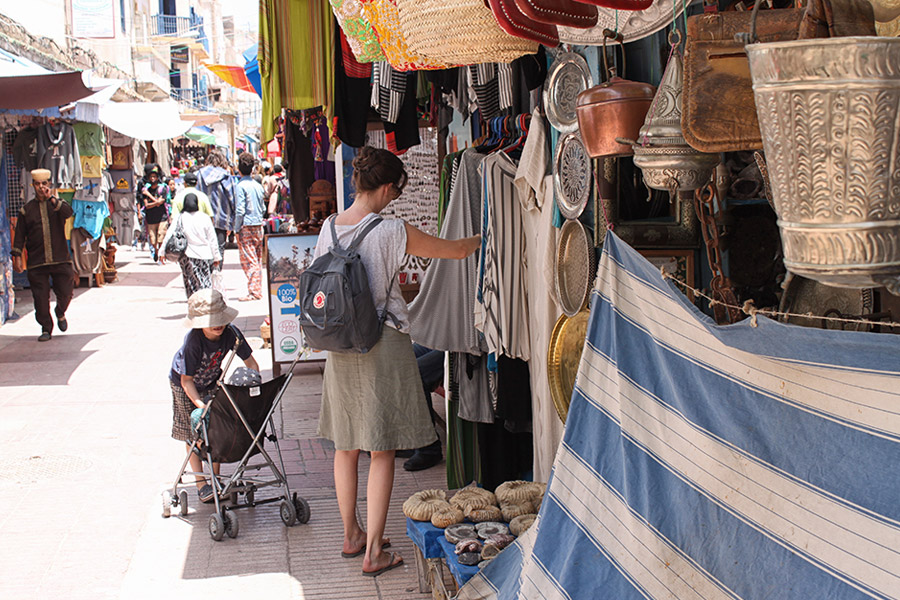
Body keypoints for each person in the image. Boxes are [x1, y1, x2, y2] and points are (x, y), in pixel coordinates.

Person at [314, 146, 481, 577]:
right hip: (381, 343)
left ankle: (352, 534)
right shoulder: (390, 230)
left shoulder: (329, 227)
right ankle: (374, 552)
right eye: (395, 191)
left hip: (338, 345)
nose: (394, 199)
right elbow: (456, 251)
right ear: (387, 187)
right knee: (382, 449)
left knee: (346, 446)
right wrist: (485, 236)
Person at [169, 289, 259, 503]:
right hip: (184, 385)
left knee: (214, 429)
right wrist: (201, 405)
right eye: (211, 321)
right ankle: (201, 484)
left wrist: (254, 388)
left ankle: (215, 478)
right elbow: (186, 380)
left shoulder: (231, 333)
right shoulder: (193, 341)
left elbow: (251, 363)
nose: (218, 325)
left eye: (220, 319)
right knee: (194, 431)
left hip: (211, 381)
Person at [10, 168, 76, 342]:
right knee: (40, 298)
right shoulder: (27, 210)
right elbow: (20, 236)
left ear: (49, 184)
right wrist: (16, 256)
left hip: (60, 258)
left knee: (66, 292)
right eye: (38, 184)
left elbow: (69, 213)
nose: (41, 187)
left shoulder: (57, 205)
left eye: (44, 184)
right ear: (33, 186)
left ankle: (60, 312)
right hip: (37, 262)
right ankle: (46, 328)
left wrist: (52, 198)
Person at [161, 192, 221, 299]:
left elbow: (169, 235)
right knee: (205, 281)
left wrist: (162, 252)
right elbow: (212, 239)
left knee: (190, 283)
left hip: (186, 256)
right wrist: (216, 256)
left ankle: (194, 305)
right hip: (204, 255)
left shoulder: (180, 217)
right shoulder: (205, 218)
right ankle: (206, 305)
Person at [402, 344, 445, 471]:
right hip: (437, 338)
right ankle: (407, 441)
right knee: (395, 361)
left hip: (461, 343)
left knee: (413, 373)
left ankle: (429, 448)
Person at [233, 153, 266, 301]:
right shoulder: (257, 186)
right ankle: (256, 289)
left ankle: (254, 291)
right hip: (258, 225)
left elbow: (240, 210)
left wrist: (236, 228)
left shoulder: (240, 186)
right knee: (257, 259)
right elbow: (263, 208)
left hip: (246, 225)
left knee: (249, 260)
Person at [196, 151, 236, 266]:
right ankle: (216, 273)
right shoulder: (226, 176)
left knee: (204, 248)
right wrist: (233, 221)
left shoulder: (198, 175)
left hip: (201, 219)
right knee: (219, 249)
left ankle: (206, 275)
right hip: (221, 219)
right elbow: (232, 198)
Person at [140, 164, 171, 262]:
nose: (153, 178)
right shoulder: (146, 190)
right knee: (153, 239)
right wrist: (156, 202)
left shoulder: (163, 188)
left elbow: (161, 202)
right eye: (151, 177)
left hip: (162, 217)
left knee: (161, 236)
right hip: (151, 218)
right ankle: (156, 252)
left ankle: (161, 253)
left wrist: (150, 197)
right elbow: (147, 205)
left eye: (154, 176)